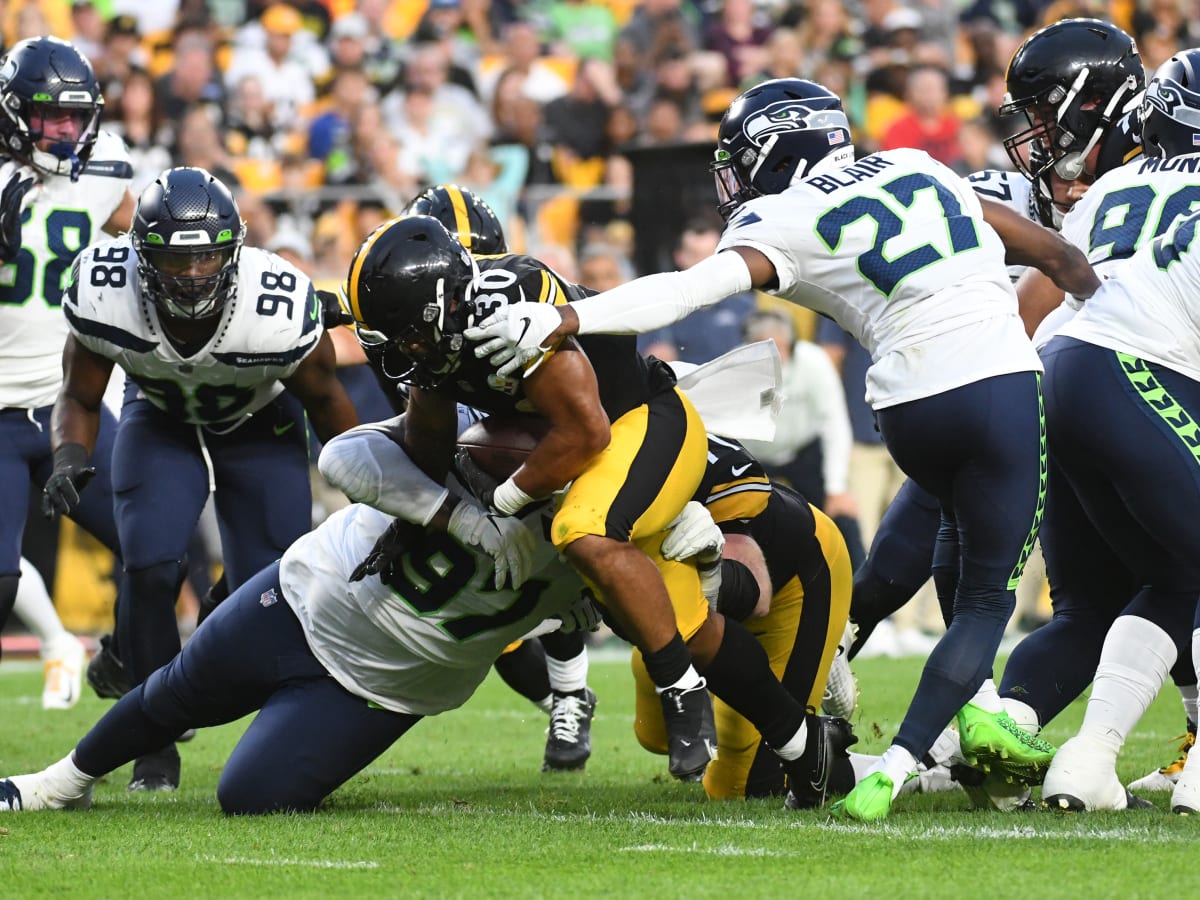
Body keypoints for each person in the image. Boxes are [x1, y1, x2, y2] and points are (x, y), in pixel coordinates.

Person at [464, 77, 1100, 821]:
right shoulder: (919, 166)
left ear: (778, 148)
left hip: (905, 406)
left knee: (939, 556)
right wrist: (1104, 306)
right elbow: (1054, 255)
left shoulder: (787, 212)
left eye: (740, 158)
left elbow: (680, 292)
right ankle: (903, 764)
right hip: (995, 383)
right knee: (985, 597)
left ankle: (884, 689)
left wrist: (568, 314)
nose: (732, 176)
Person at [345, 215, 849, 805]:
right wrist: (418, 518)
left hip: (665, 454)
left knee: (584, 532)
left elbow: (586, 436)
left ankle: (703, 689)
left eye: (403, 331)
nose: (398, 348)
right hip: (607, 477)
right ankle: (802, 741)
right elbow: (428, 440)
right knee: (665, 649)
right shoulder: (444, 348)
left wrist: (501, 506)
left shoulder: (510, 312)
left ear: (440, 305)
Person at [0, 416, 598, 815]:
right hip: (311, 593)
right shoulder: (467, 423)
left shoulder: (606, 518)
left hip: (389, 682)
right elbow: (345, 455)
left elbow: (642, 602)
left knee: (251, 798)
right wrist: (454, 514)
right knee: (176, 692)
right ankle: (58, 785)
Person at [44, 166, 359, 793]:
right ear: (141, 256)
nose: (193, 274)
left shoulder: (277, 306)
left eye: (208, 257)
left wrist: (372, 486)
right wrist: (67, 454)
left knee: (266, 589)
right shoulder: (106, 289)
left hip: (256, 421)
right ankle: (154, 748)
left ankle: (142, 651)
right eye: (176, 259)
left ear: (235, 251)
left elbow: (330, 409)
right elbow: (79, 395)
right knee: (151, 564)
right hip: (158, 416)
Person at [1027, 50, 1200, 813]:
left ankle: (1086, 763)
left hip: (1058, 374)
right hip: (1136, 376)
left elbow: (1067, 287)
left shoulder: (1118, 184)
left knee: (1173, 578)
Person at [402, 183, 599, 773]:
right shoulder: (412, 326)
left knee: (566, 564)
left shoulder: (527, 297)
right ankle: (561, 698)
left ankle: (574, 695)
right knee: (487, 608)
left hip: (540, 441)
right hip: (470, 444)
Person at [0, 36, 135, 668]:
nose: (64, 131)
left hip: (68, 408)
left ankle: (144, 701)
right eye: (50, 116)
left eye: (76, 117)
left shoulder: (105, 167)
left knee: (154, 548)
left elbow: (150, 232)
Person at [633, 434, 856, 800]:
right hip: (698, 607)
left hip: (791, 578)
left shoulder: (708, 464)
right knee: (653, 733)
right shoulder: (586, 467)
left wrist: (709, 572)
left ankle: (920, 767)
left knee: (750, 785)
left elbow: (756, 595)